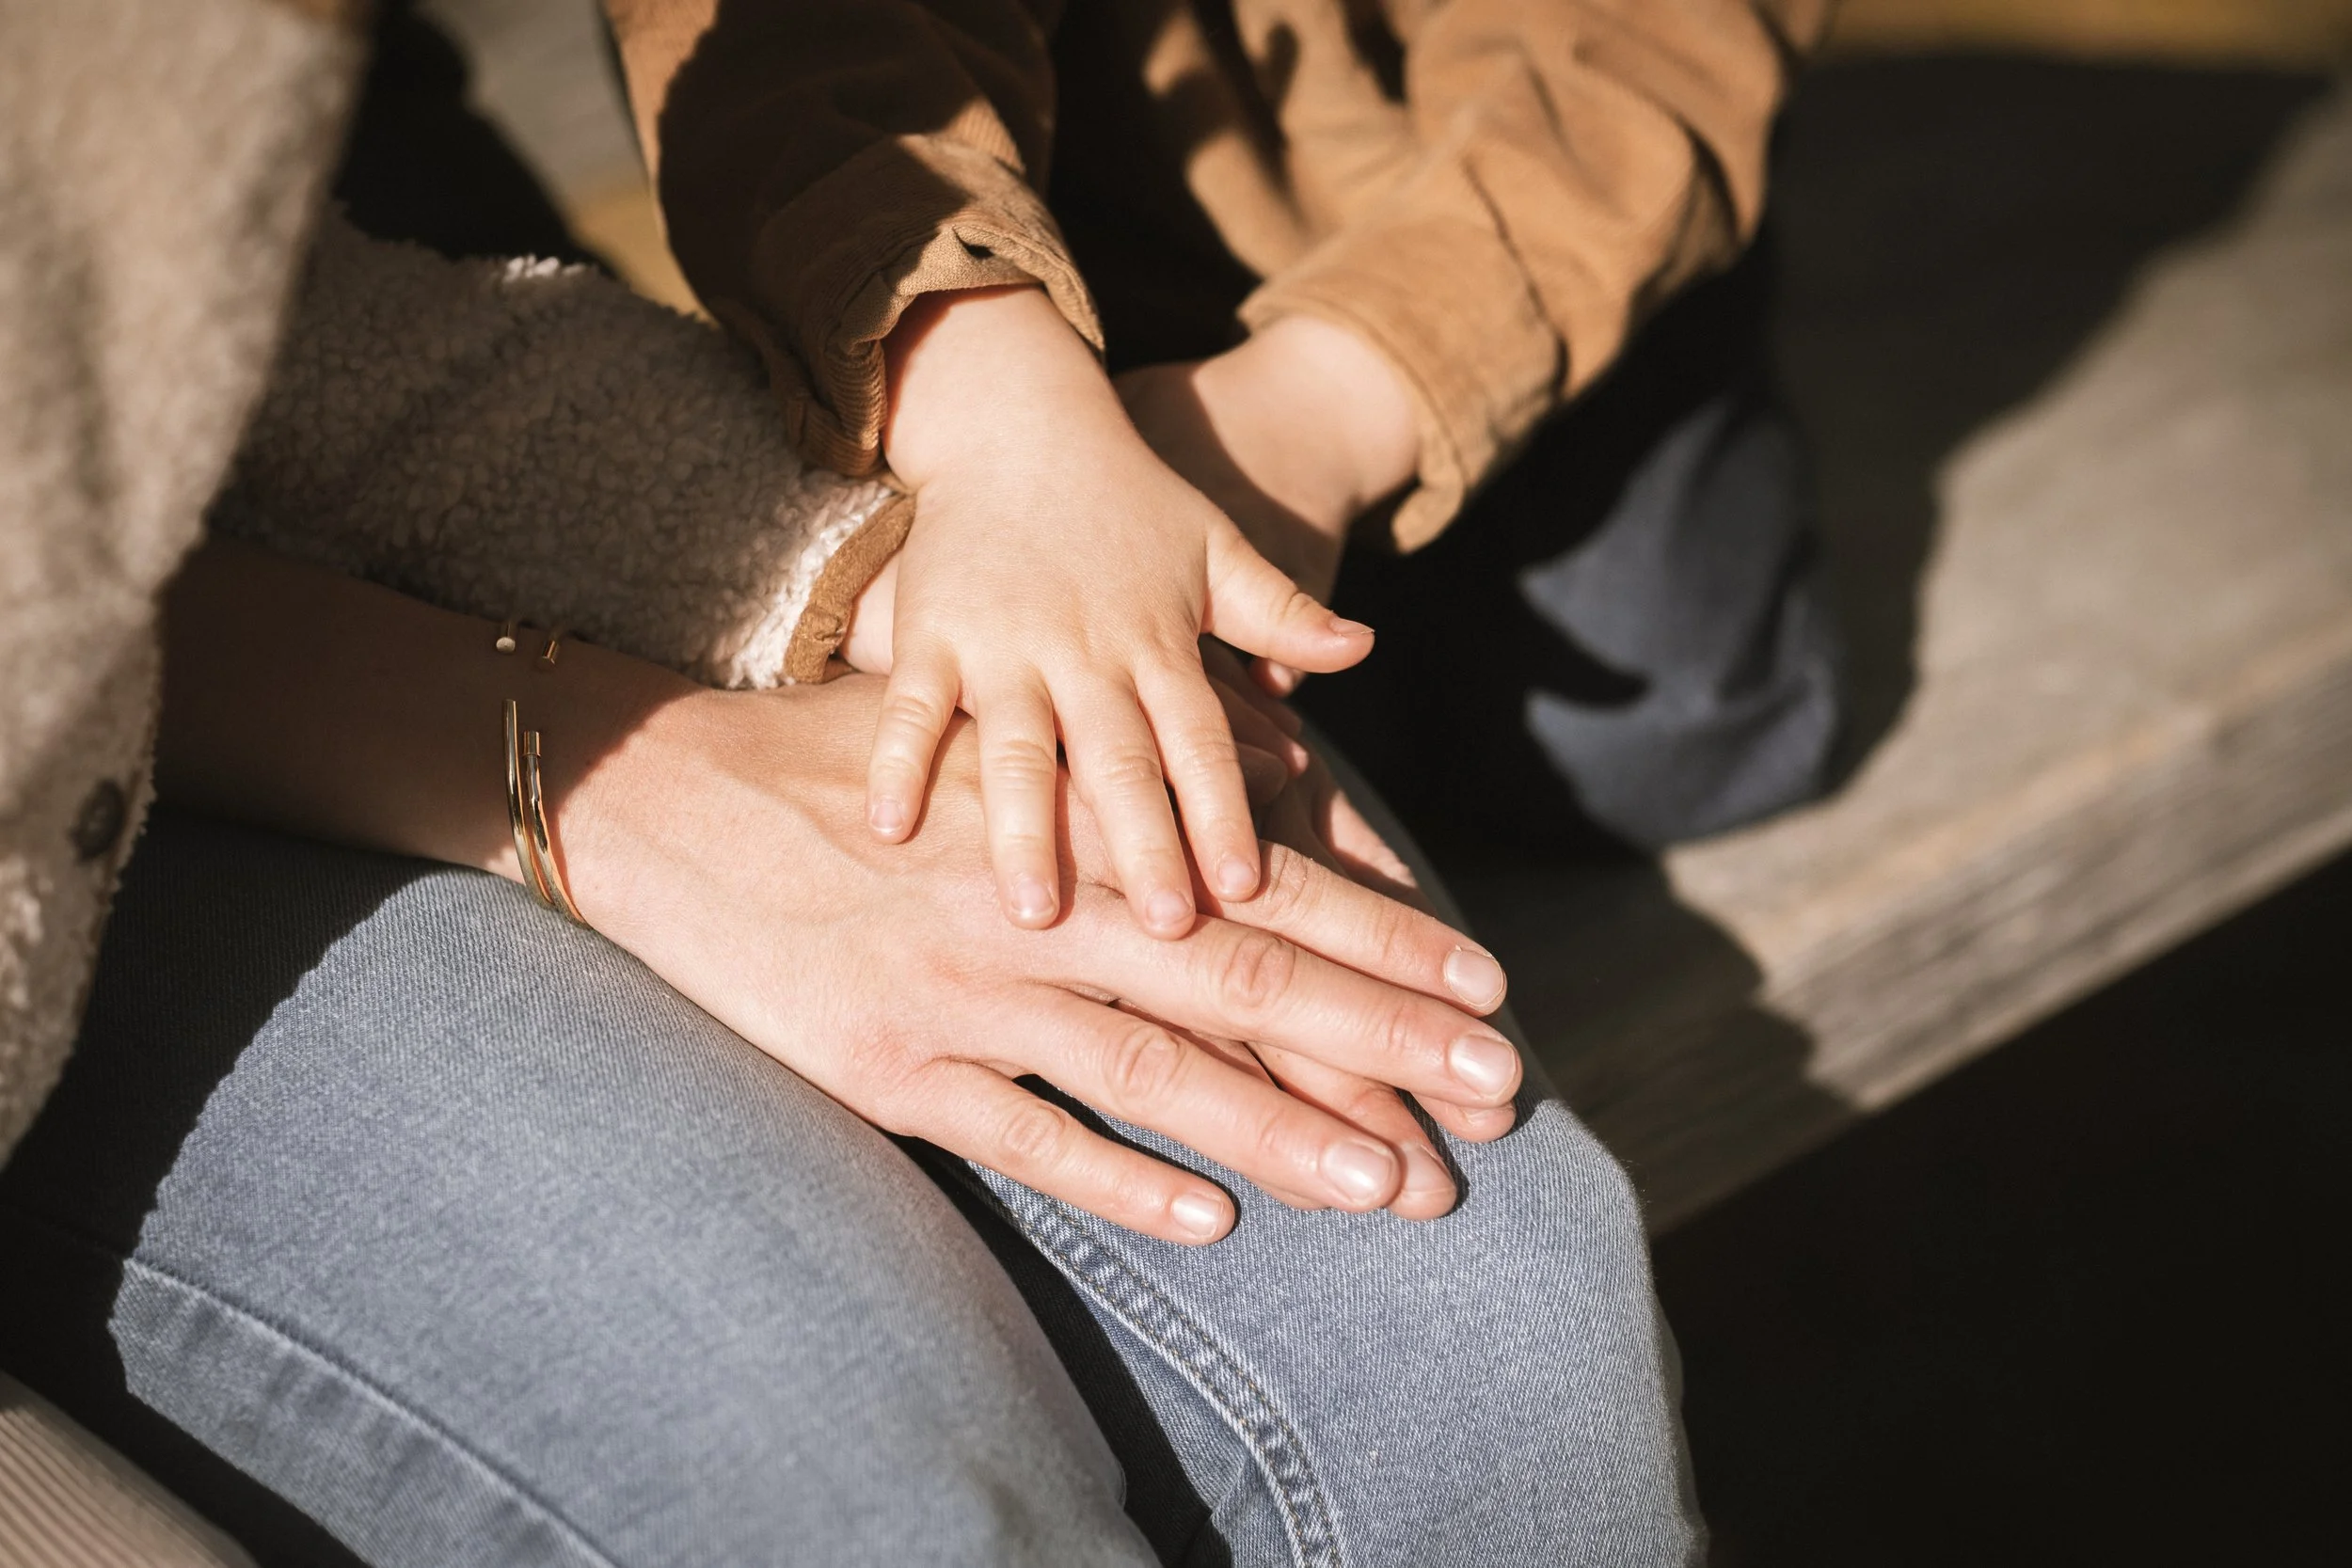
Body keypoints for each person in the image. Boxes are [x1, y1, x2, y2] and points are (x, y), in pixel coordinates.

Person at [0, 3, 1704, 1561]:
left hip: (203, 580)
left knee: (1492, 1326)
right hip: (77, 866)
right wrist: (605, 781)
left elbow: (216, 356)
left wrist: (893, 543)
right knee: (882, 1506)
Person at [606, 0, 1846, 870]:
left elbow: (1646, 56)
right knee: (1083, 762)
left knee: (1665, 736)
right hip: (1056, 278)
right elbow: (784, 53)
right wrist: (1006, 411)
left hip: (1529, 227)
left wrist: (1322, 406)